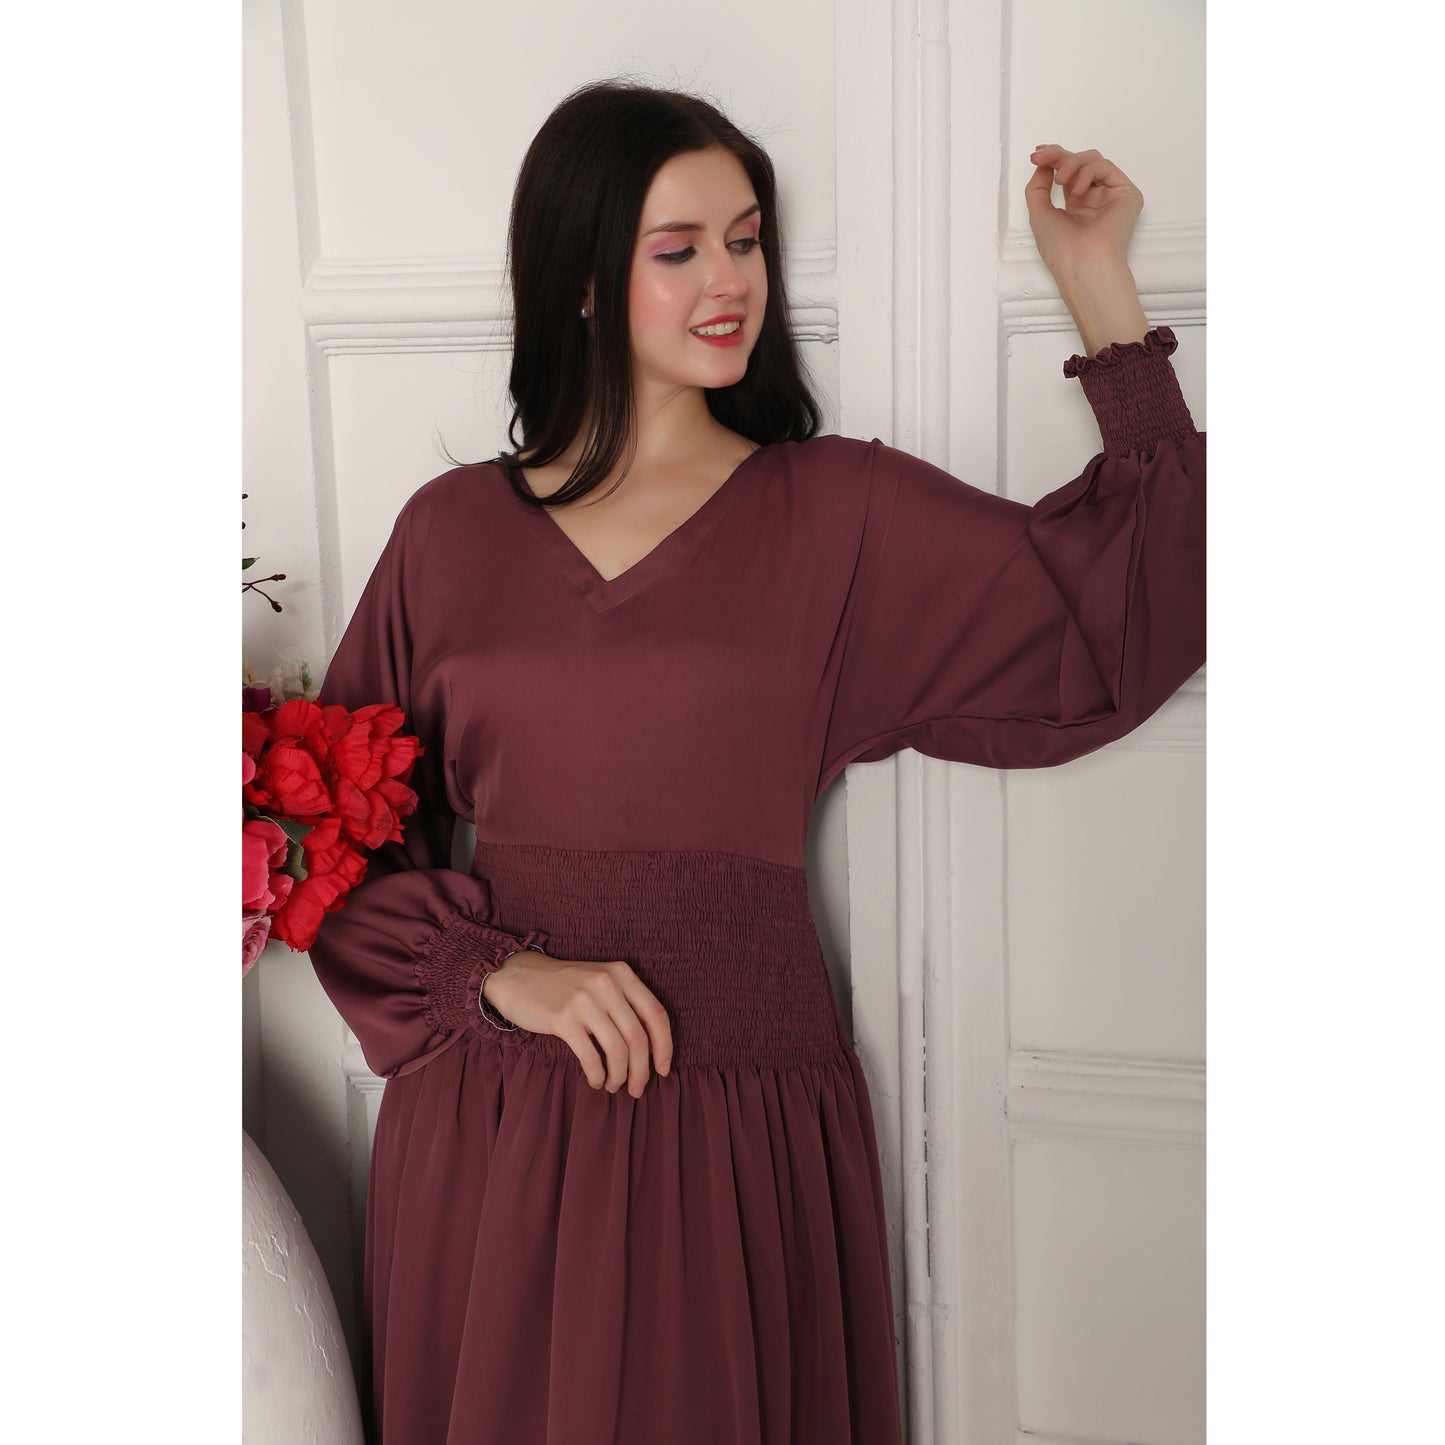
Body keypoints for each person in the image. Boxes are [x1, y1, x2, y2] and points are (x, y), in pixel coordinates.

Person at [308, 77, 1204, 1445]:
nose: (730, 280)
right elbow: (327, 837)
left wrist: (1097, 285)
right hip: (491, 1126)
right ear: (583, 280)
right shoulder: (447, 532)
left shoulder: (840, 514)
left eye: (745, 239)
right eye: (678, 249)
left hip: (734, 1122)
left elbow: (1119, 616)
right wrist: (496, 972)